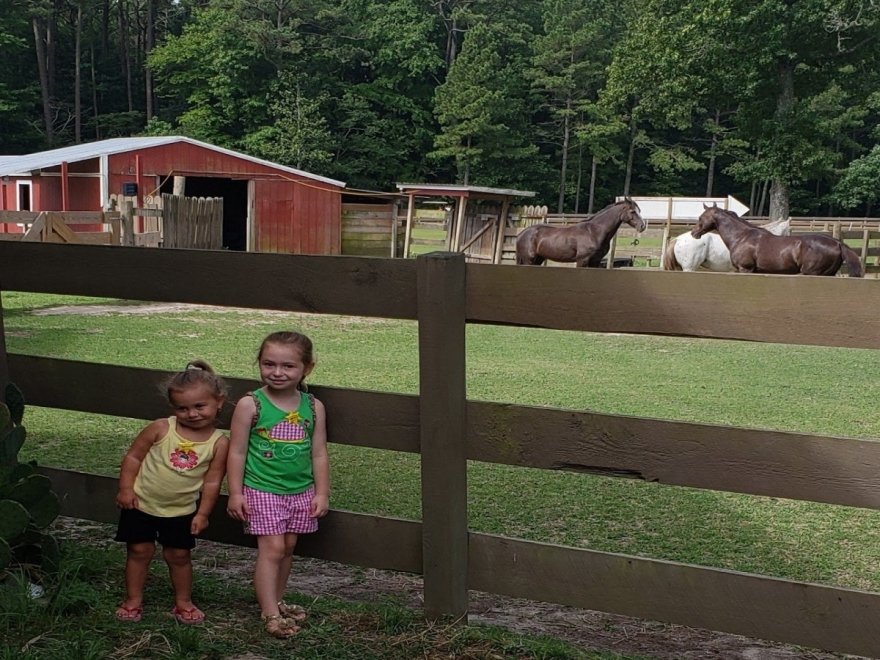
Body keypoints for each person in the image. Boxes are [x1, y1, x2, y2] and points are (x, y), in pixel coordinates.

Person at [226, 331, 330, 639]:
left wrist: (322, 492)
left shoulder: (313, 406)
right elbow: (237, 451)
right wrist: (235, 492)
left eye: (288, 366)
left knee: (287, 548)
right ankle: (270, 613)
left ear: (307, 368)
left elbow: (319, 452)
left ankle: (277, 600)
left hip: (300, 491)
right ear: (259, 363)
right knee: (271, 548)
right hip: (262, 489)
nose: (277, 372)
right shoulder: (251, 405)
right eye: (269, 364)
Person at [114, 360, 230, 625]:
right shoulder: (161, 429)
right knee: (139, 551)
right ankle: (133, 600)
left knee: (178, 556)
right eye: (183, 408)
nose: (192, 414)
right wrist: (125, 489)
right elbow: (133, 457)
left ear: (219, 401)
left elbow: (212, 482)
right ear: (173, 407)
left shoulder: (219, 443)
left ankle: (183, 601)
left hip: (181, 512)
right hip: (140, 505)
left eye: (200, 406)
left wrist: (203, 513)